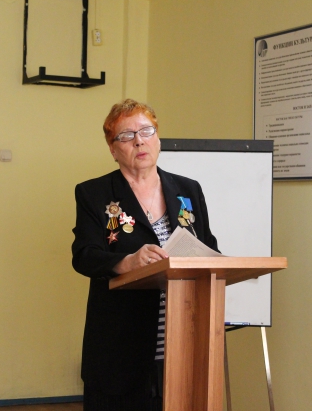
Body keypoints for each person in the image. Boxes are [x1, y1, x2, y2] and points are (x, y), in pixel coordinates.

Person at [71, 99, 218, 411]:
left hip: (184, 339)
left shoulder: (188, 190)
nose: (139, 141)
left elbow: (209, 247)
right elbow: (84, 255)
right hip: (121, 346)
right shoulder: (94, 193)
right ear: (113, 149)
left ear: (158, 139)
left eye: (146, 131)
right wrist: (127, 262)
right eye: (126, 135)